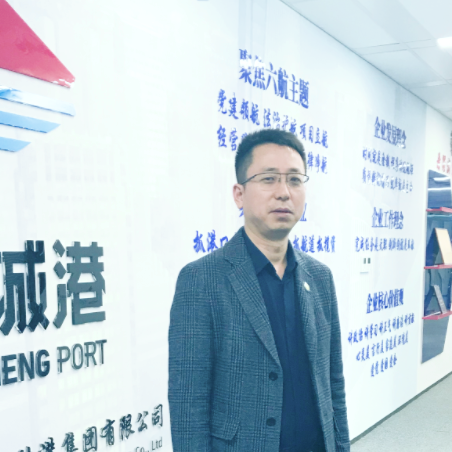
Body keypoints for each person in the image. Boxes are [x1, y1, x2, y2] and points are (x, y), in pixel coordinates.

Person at [168, 129, 350, 452]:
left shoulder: (320, 278)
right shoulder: (201, 280)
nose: (284, 192)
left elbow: (333, 384)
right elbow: (188, 407)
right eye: (268, 179)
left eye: (294, 180)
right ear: (239, 194)